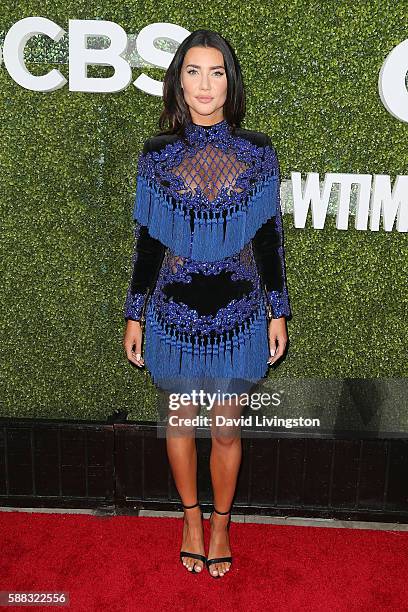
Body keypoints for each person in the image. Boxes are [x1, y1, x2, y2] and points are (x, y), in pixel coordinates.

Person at [123, 29, 292, 578]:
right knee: (179, 422)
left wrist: (277, 309)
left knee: (224, 427)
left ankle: (221, 524)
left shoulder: (258, 152)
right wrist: (135, 313)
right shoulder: (158, 154)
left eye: (216, 72)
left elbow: (269, 236)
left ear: (230, 83)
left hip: (240, 315)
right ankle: (191, 520)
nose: (204, 84)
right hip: (173, 314)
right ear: (177, 81)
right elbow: (149, 241)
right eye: (193, 71)